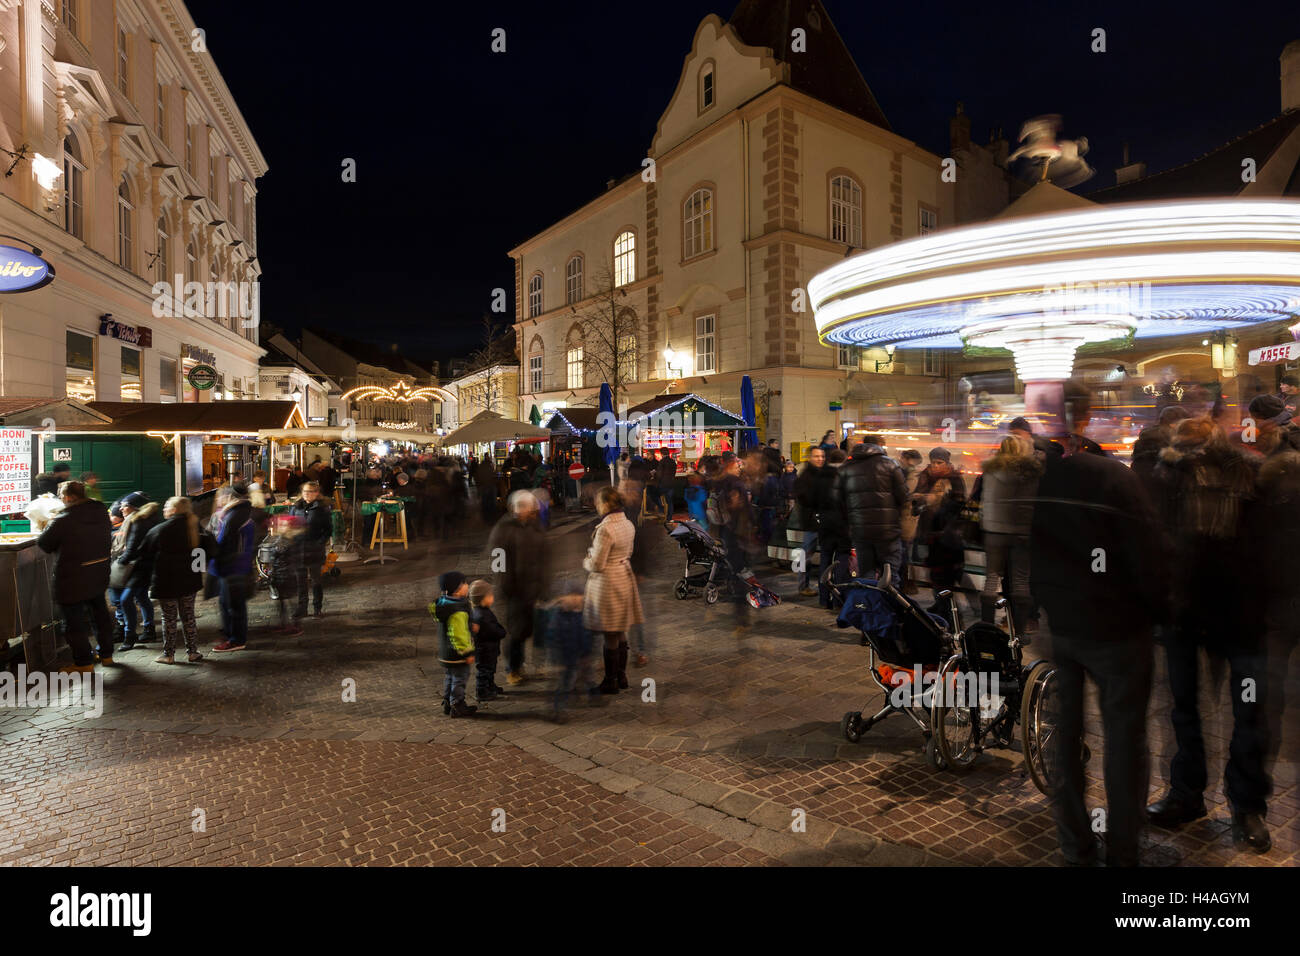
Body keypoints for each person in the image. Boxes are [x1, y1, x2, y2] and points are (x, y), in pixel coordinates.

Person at [1030, 420, 1167, 867]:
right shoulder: (1116, 478)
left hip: (1065, 628)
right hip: (1117, 630)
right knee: (1124, 740)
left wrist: (1047, 607)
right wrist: (1154, 612)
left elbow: (1033, 551)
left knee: (1065, 738)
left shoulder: (1049, 479)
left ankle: (1076, 846)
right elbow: (1146, 557)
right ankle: (1123, 851)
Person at [1146, 416, 1271, 851]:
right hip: (1187, 612)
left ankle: (1246, 804)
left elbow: (1269, 544)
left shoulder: (1249, 472)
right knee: (1186, 709)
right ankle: (1189, 795)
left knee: (1248, 713)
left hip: (1241, 615)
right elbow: (1156, 542)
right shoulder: (1168, 476)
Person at [37, 481, 114, 671]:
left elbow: (45, 543)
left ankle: (84, 662)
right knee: (100, 615)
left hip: (72, 577)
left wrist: (51, 522)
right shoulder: (100, 510)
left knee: (73, 622)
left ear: (70, 497)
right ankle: (107, 655)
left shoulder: (64, 518)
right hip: (98, 571)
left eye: (62, 497)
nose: (62, 500)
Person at [977, 435, 1041, 633]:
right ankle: (1020, 632)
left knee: (991, 578)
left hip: (994, 531)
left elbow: (984, 502)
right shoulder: (1032, 473)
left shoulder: (989, 471)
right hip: (1021, 532)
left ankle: (987, 627)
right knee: (1021, 581)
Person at [142, 496, 216, 664]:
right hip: (189, 581)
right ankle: (193, 652)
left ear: (174, 510)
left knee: (169, 618)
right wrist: (196, 570)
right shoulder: (194, 526)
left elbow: (145, 554)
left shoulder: (160, 530)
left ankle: (168, 654)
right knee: (188, 616)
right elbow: (208, 550)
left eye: (167, 506)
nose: (163, 509)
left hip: (166, 582)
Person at [487, 490, 550, 684]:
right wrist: (505, 585)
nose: (526, 512)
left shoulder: (536, 526)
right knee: (516, 631)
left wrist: (545, 583)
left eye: (529, 508)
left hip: (534, 587)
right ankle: (513, 668)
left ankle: (533, 665)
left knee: (533, 628)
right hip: (514, 590)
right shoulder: (503, 529)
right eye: (522, 507)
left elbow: (545, 556)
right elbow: (497, 561)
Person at [584, 485, 643, 693]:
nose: (597, 506)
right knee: (620, 630)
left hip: (608, 582)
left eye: (599, 502)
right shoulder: (627, 523)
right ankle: (621, 675)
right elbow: (630, 551)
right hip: (624, 577)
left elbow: (598, 564)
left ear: (607, 503)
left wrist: (587, 560)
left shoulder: (606, 528)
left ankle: (610, 681)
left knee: (610, 633)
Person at [831, 438, 907, 585]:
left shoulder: (845, 468)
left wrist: (851, 520)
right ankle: (889, 605)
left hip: (860, 531)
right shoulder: (890, 464)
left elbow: (836, 500)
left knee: (867, 573)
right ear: (879, 449)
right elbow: (903, 497)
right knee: (890, 574)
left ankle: (869, 605)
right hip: (888, 531)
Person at [793, 447, 843, 605]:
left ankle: (826, 588)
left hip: (826, 522)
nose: (820, 459)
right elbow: (804, 499)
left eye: (822, 456)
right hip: (811, 523)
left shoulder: (828, 474)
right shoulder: (806, 476)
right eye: (816, 456)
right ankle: (802, 585)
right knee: (804, 555)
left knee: (824, 557)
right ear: (809, 458)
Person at [209, 484, 256, 652]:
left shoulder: (235, 515)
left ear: (229, 497)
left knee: (233, 605)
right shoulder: (234, 513)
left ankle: (236, 640)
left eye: (221, 496)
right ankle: (230, 635)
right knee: (227, 603)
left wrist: (209, 548)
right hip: (232, 566)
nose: (219, 500)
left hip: (233, 567)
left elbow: (224, 541)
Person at [542, 574, 594, 722]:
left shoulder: (582, 614)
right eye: (574, 596)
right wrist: (556, 660)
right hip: (563, 658)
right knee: (562, 685)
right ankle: (558, 711)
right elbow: (552, 638)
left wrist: (586, 653)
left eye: (580, 596)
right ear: (565, 597)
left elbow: (586, 635)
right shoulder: (559, 616)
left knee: (578, 679)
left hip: (577, 655)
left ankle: (580, 698)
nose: (578, 599)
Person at [113, 492, 161, 650]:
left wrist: (121, 560)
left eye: (124, 505)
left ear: (134, 507)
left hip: (138, 567)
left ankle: (129, 636)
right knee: (141, 597)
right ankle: (149, 630)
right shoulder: (149, 518)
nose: (121, 508)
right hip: (147, 565)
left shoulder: (137, 521)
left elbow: (133, 548)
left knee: (126, 600)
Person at [432, 571, 477, 717]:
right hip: (457, 654)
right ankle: (457, 705)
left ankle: (447, 702)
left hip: (446, 653)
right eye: (464, 583)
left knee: (450, 677)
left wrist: (470, 625)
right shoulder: (457, 611)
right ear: (457, 590)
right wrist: (468, 652)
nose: (467, 585)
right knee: (460, 678)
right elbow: (459, 635)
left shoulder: (445, 605)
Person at [289, 481, 331, 621]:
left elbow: (328, 529)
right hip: (298, 548)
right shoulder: (296, 507)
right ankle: (302, 608)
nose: (307, 494)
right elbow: (290, 526)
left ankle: (317, 607)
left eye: (310, 491)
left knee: (315, 580)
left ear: (316, 493)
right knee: (300, 580)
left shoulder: (322, 509)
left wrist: (320, 543)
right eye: (305, 491)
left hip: (314, 549)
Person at [468, 579, 507, 701]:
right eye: (491, 595)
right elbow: (493, 631)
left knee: (490, 669)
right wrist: (502, 632)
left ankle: (489, 686)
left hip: (488, 649)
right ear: (483, 599)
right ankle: (482, 691)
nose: (493, 598)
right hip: (485, 650)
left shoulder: (482, 611)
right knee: (484, 670)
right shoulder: (482, 616)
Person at [897, 450, 925, 593]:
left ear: (907, 459)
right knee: (905, 552)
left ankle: (904, 584)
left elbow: (905, 496)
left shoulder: (911, 474)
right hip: (907, 519)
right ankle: (905, 584)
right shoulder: (911, 473)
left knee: (903, 553)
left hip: (906, 519)